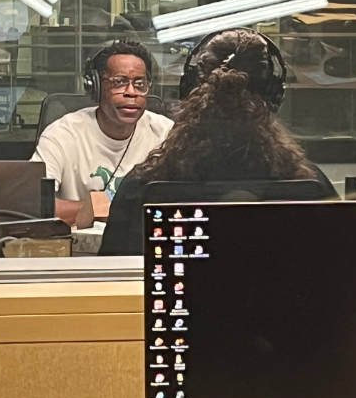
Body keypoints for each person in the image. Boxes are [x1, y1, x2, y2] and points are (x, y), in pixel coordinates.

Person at [100, 29, 337, 255]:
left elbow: (111, 279)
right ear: (274, 95)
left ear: (189, 90)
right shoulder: (309, 183)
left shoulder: (142, 185)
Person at [33, 39, 173, 226]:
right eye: (119, 82)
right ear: (95, 87)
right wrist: (106, 209)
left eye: (139, 84)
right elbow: (32, 206)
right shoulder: (62, 135)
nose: (131, 92)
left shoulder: (166, 134)